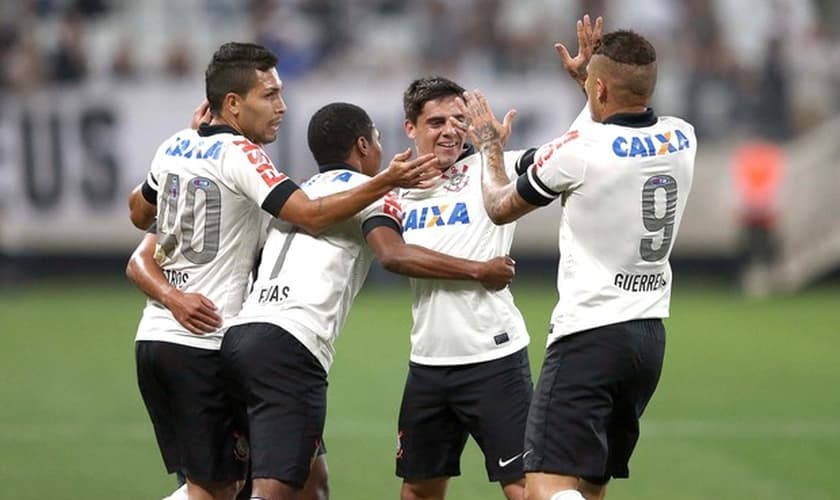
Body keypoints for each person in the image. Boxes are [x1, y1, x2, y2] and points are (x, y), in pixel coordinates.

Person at [128, 42, 438, 500]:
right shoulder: (241, 155)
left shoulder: (175, 145)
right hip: (205, 341)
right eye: (269, 95)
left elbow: (138, 214)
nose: (281, 107)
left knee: (308, 479)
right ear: (233, 103)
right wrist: (386, 181)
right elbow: (309, 213)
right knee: (219, 490)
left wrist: (171, 296)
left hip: (160, 339)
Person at [218, 101, 516, 500]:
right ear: (362, 145)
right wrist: (479, 269)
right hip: (291, 346)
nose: (381, 147)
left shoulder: (298, 195)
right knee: (274, 491)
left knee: (311, 483)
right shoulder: (369, 194)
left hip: (241, 338)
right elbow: (393, 254)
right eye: (377, 138)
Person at [456, 24, 697, 500]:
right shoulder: (682, 137)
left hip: (590, 335)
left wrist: (488, 146)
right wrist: (590, 88)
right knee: (589, 485)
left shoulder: (579, 153)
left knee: (546, 485)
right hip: (648, 339)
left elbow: (501, 204)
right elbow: (612, 131)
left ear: (600, 87)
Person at [395, 76, 535, 500]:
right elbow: (393, 256)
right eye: (436, 122)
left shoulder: (492, 167)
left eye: (459, 119)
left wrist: (589, 91)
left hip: (494, 358)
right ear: (410, 128)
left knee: (526, 488)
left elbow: (564, 155)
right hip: (428, 362)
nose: (451, 130)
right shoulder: (394, 189)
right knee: (419, 490)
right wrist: (477, 269)